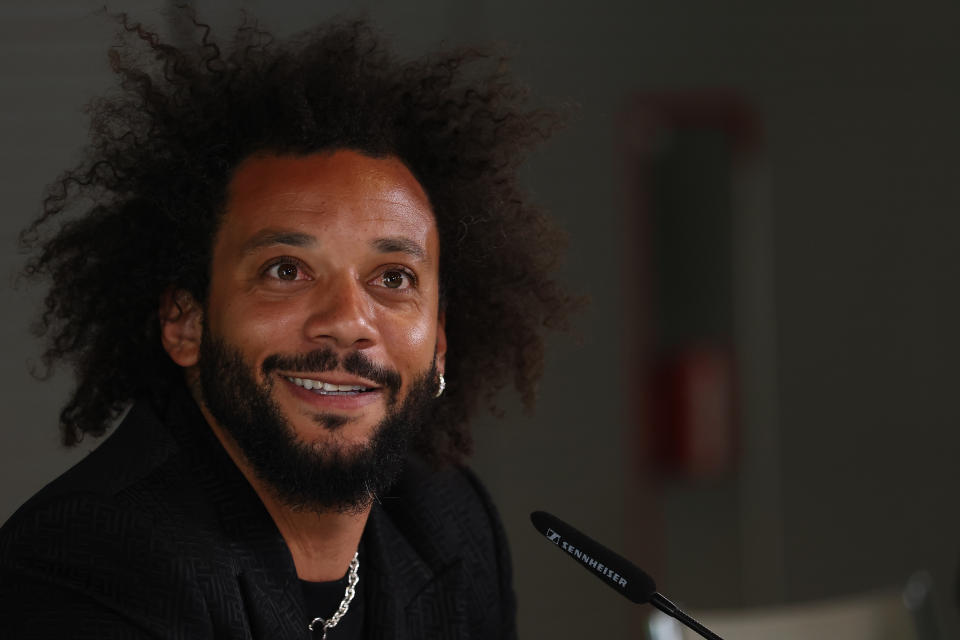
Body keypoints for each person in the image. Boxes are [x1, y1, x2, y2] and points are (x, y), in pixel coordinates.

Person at [0, 11, 575, 639]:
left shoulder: (450, 524)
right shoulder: (88, 563)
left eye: (393, 278)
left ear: (438, 342)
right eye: (286, 270)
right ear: (185, 322)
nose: (349, 323)